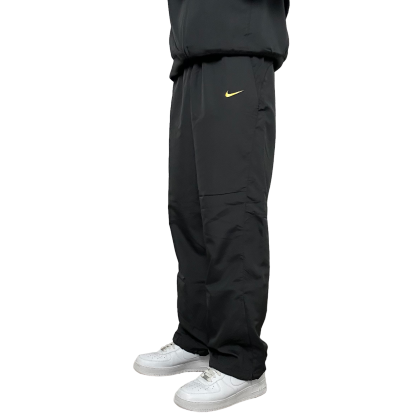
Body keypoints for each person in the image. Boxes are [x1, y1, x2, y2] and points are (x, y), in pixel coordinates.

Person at [134, 0, 290, 412]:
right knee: (188, 209)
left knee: (230, 211)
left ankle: (240, 362)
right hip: (189, 61)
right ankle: (196, 336)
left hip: (239, 53)